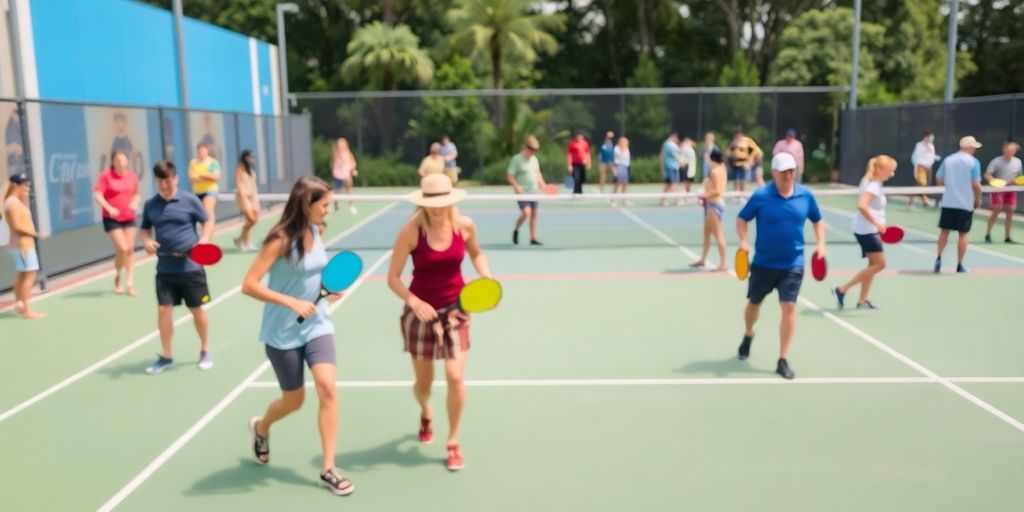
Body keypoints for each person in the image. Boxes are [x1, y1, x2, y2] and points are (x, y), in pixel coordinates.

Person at [241, 176, 354, 496]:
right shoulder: (278, 239)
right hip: (282, 332)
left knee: (327, 388)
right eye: (325, 205)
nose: (328, 211)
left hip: (318, 325)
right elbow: (249, 284)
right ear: (307, 205)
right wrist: (290, 301)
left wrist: (330, 292)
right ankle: (261, 428)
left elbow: (316, 272)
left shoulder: (318, 231)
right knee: (294, 400)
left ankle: (329, 467)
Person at [387, 173, 492, 472]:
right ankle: (425, 410)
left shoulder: (465, 226)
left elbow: (477, 253)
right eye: (430, 202)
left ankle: (453, 441)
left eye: (441, 202)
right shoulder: (411, 231)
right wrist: (414, 302)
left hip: (457, 310)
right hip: (421, 315)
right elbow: (393, 278)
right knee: (424, 385)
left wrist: (487, 279)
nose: (436, 207)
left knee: (455, 377)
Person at [735, 152, 825, 380]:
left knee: (789, 308)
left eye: (791, 170)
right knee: (753, 305)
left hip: (793, 264)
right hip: (763, 263)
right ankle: (748, 334)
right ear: (773, 173)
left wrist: (821, 245)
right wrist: (744, 241)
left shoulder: (806, 195)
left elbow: (818, 220)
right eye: (784, 171)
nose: (788, 175)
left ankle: (782, 359)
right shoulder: (761, 195)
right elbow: (742, 218)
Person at [140, 160, 215, 374]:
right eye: (160, 181)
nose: (164, 185)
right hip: (165, 269)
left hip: (192, 268)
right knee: (164, 310)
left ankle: (205, 349)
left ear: (175, 178)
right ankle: (166, 356)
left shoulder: (190, 200)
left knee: (197, 309)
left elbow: (207, 221)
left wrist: (205, 239)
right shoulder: (151, 205)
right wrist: (146, 241)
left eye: (167, 181)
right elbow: (145, 230)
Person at [832, 155, 897, 310]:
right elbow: (862, 205)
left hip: (865, 229)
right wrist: (877, 223)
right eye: (890, 170)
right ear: (881, 169)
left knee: (872, 264)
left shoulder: (868, 180)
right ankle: (841, 289)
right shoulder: (873, 185)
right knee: (880, 264)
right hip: (868, 231)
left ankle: (862, 301)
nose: (892, 174)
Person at [93, 149, 141, 296]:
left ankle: (130, 284)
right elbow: (97, 194)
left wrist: (135, 202)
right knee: (123, 248)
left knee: (129, 249)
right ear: (113, 162)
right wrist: (109, 208)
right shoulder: (105, 176)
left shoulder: (132, 176)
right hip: (112, 218)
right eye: (118, 160)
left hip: (129, 217)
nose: (121, 163)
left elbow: (137, 194)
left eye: (124, 160)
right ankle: (118, 276)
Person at [934, 136, 983, 274]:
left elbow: (939, 178)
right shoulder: (973, 162)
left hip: (948, 202)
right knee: (963, 234)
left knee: (944, 231)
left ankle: (938, 259)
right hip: (965, 203)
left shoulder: (948, 160)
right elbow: (976, 184)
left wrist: (948, 190)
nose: (974, 149)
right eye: (973, 147)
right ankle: (959, 265)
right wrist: (978, 199)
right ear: (967, 147)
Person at [3, 172, 45, 319]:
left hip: (22, 244)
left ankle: (20, 305)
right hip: (22, 245)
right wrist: (36, 234)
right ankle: (26, 309)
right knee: (30, 274)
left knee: (23, 274)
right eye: (24, 185)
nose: (27, 188)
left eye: (28, 185)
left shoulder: (15, 201)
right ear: (15, 185)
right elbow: (16, 226)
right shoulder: (12, 203)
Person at [691, 148, 728, 271]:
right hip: (711, 205)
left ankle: (723, 264)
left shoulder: (715, 172)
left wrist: (703, 194)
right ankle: (703, 259)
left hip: (714, 205)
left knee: (718, 234)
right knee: (707, 233)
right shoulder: (722, 168)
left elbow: (717, 190)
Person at [508, 135, 548, 246]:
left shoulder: (535, 160)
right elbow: (510, 175)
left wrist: (543, 185)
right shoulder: (517, 159)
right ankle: (516, 229)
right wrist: (517, 186)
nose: (533, 152)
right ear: (526, 147)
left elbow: (537, 174)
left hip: (534, 191)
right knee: (526, 212)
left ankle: (533, 238)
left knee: (534, 215)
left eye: (535, 150)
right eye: (531, 149)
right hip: (522, 193)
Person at [983, 141, 1021, 244]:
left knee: (1010, 212)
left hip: (1011, 190)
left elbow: (1019, 177)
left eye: (1012, 150)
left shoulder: (1018, 162)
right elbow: (987, 174)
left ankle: (1007, 237)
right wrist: (994, 181)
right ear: (1003, 149)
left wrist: (1017, 181)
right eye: (1007, 149)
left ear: (1015, 151)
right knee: (997, 209)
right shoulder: (996, 161)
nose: (1009, 151)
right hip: (998, 189)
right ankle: (988, 234)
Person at [188, 142, 221, 225]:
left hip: (210, 191)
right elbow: (192, 178)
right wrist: (208, 175)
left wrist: (200, 174)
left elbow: (216, 177)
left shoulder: (213, 162)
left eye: (203, 150)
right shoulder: (193, 163)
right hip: (197, 192)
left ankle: (209, 234)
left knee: (208, 212)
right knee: (201, 215)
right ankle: (205, 233)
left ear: (207, 150)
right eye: (199, 150)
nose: (201, 152)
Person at [234, 150, 261, 251]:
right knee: (251, 219)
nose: (252, 159)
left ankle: (240, 239)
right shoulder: (240, 167)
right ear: (245, 157)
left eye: (253, 157)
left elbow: (253, 184)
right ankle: (245, 242)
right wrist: (243, 198)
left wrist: (256, 198)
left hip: (252, 196)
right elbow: (238, 183)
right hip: (243, 196)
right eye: (250, 157)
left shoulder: (252, 169)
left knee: (255, 219)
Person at [727, 129, 762, 196]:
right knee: (736, 181)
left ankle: (742, 195)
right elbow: (728, 153)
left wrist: (751, 161)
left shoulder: (747, 143)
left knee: (743, 181)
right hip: (735, 165)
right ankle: (736, 195)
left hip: (744, 165)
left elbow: (757, 153)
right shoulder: (734, 144)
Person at [909, 131, 939, 209]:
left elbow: (931, 156)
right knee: (922, 183)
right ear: (925, 137)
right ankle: (924, 199)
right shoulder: (919, 145)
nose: (932, 138)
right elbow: (916, 156)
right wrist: (918, 165)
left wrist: (936, 157)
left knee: (921, 185)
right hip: (920, 167)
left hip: (929, 168)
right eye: (930, 136)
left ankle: (911, 202)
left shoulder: (932, 146)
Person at [330, 137, 358, 214]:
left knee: (349, 190)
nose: (341, 146)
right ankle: (336, 207)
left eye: (342, 144)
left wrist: (353, 170)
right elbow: (332, 163)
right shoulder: (335, 154)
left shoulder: (348, 154)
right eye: (339, 144)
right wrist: (333, 171)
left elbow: (353, 162)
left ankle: (351, 206)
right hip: (337, 175)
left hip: (346, 175)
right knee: (337, 191)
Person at [659, 132, 682, 206]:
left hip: (675, 166)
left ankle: (664, 199)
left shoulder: (673, 144)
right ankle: (676, 200)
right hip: (669, 167)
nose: (677, 139)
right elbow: (676, 156)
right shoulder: (668, 144)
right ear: (672, 136)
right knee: (672, 184)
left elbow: (678, 153)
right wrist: (683, 161)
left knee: (671, 184)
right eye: (675, 137)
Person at [566, 131, 591, 195]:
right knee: (576, 177)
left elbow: (587, 153)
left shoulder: (585, 143)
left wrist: (588, 162)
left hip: (582, 164)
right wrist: (569, 165)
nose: (579, 137)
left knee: (582, 178)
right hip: (575, 164)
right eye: (578, 135)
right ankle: (575, 191)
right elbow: (569, 155)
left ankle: (580, 190)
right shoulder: (572, 144)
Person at [610, 136, 631, 206]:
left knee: (625, 184)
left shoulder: (627, 149)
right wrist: (614, 170)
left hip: (625, 167)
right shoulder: (616, 149)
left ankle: (625, 200)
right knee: (617, 185)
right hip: (618, 167)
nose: (626, 143)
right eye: (624, 142)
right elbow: (614, 160)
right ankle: (613, 200)